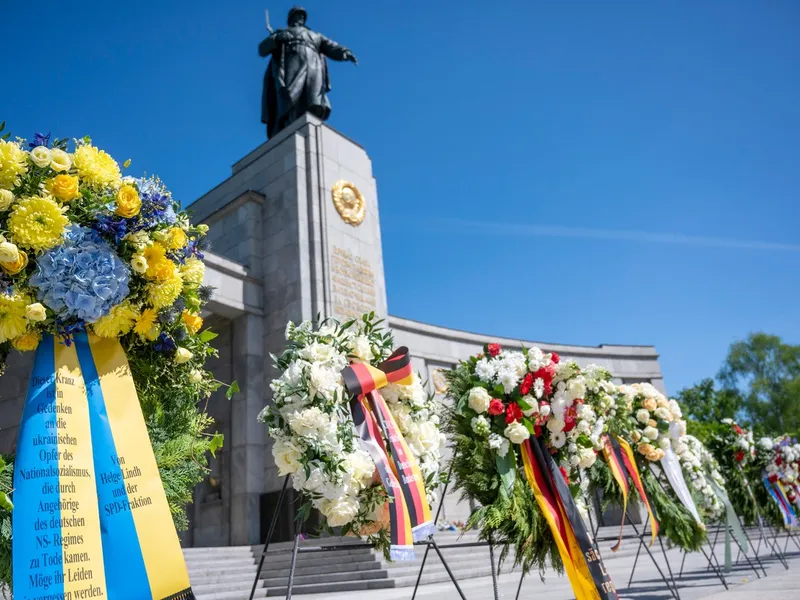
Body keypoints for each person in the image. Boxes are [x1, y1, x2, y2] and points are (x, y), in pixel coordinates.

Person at [259, 7, 358, 138]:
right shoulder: (281, 33)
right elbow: (262, 49)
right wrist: (276, 39)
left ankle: (309, 130)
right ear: (291, 18)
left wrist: (345, 52)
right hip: (291, 67)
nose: (300, 18)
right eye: (297, 15)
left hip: (313, 68)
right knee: (289, 99)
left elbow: (331, 46)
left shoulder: (315, 35)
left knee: (312, 101)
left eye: (302, 16)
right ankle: (287, 128)